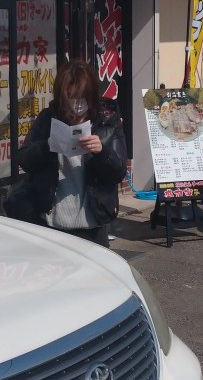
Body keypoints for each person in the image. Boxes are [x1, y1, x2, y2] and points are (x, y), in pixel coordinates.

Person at [14, 60, 128, 246]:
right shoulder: (48, 118)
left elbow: (118, 171)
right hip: (51, 223)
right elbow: (25, 160)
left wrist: (102, 152)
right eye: (70, 98)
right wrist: (47, 146)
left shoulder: (107, 121)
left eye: (81, 97)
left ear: (91, 96)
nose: (76, 104)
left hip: (92, 223)